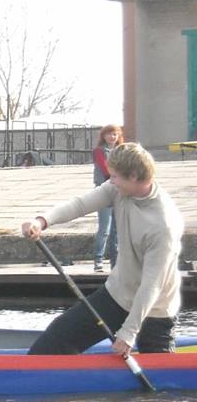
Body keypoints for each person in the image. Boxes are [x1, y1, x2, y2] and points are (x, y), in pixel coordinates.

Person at [22, 142, 183, 356]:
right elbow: (81, 204)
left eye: (115, 176)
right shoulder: (118, 188)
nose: (111, 181)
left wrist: (128, 332)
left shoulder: (163, 225)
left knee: (161, 383)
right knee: (54, 341)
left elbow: (151, 285)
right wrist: (42, 221)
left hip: (154, 310)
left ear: (134, 176)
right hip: (117, 294)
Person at [91, 123, 123, 271]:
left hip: (119, 192)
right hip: (104, 192)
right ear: (104, 136)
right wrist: (120, 175)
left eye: (115, 134)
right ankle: (98, 260)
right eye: (109, 134)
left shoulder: (121, 150)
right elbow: (105, 168)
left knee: (116, 230)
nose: (112, 137)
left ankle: (115, 262)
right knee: (105, 228)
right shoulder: (98, 151)